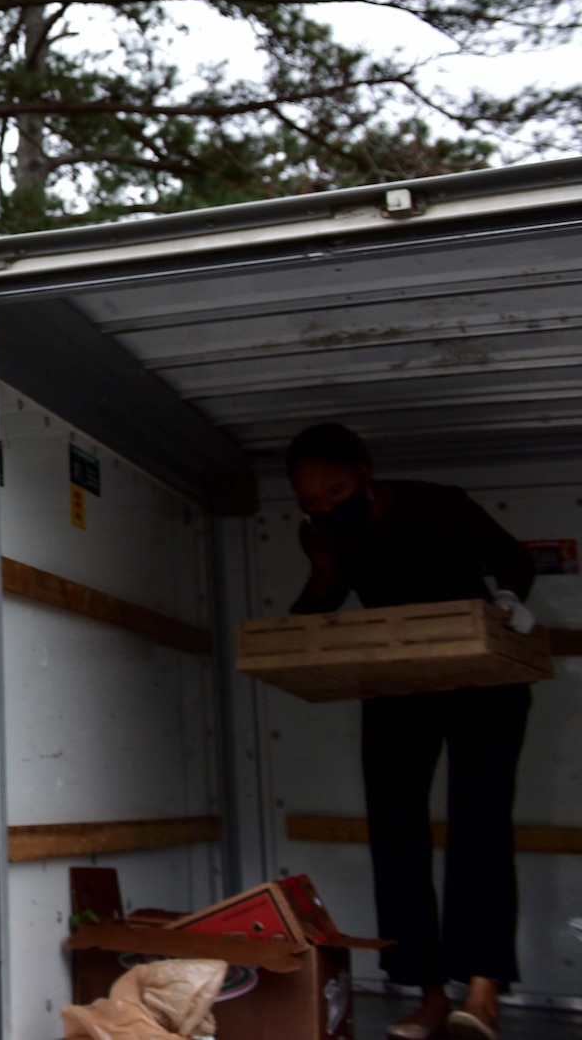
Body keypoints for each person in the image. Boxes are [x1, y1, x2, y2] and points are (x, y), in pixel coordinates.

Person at [286, 423, 537, 1040]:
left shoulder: (437, 503)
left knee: (479, 821)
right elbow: (312, 613)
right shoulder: (322, 533)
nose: (325, 506)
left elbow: (512, 557)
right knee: (395, 829)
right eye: (310, 501)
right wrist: (322, 572)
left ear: (366, 472)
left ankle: (482, 992)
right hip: (399, 684)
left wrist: (509, 601)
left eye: (336, 489)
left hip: (481, 679)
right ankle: (428, 994)